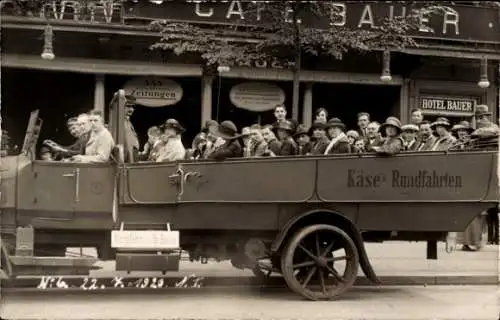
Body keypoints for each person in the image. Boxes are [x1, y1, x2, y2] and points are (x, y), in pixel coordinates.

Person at [124, 95, 139, 162]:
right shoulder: (121, 123)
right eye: (128, 106)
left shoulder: (128, 122)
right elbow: (127, 147)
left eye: (133, 107)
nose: (131, 109)